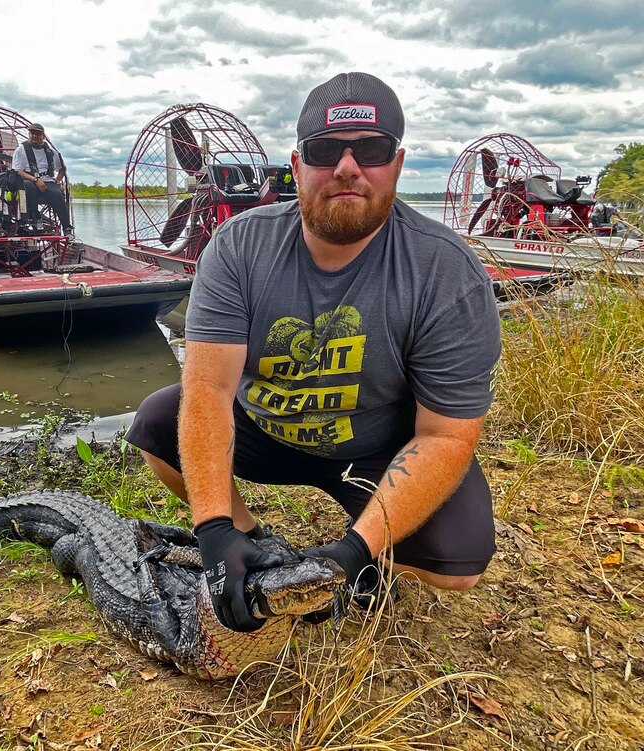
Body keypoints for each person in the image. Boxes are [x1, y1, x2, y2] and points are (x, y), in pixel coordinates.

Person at [125, 72, 502, 632]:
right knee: (158, 422)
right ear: (298, 168)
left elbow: (446, 436)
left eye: (370, 151)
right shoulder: (238, 246)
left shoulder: (447, 273)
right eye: (326, 151)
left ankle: (368, 549)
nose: (348, 167)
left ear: (396, 166)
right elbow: (208, 389)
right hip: (265, 430)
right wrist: (215, 530)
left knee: (459, 562)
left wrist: (355, 552)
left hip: (372, 449)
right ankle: (253, 541)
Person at [11, 123, 73, 239]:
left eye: (38, 134)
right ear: (29, 135)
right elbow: (17, 171)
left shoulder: (51, 152)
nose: (35, 136)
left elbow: (62, 169)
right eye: (32, 133)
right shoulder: (21, 150)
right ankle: (35, 219)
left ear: (43, 136)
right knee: (27, 186)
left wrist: (57, 181)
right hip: (29, 179)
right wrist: (35, 179)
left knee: (58, 194)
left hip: (48, 181)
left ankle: (67, 228)